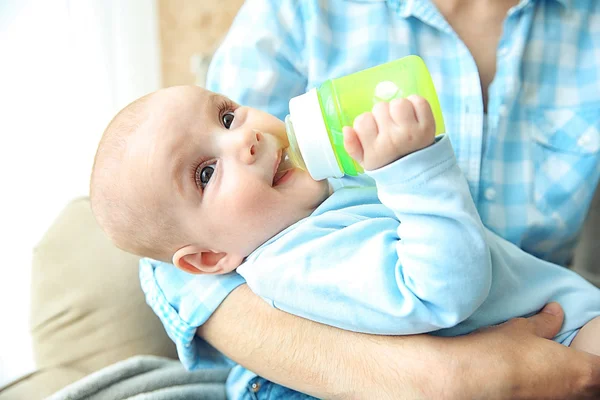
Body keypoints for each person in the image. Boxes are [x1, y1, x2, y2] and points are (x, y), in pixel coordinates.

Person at [114, 0, 600, 398]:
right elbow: (442, 293)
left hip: (544, 317)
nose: (246, 140)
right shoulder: (298, 260)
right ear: (212, 257)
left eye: (226, 117)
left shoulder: (323, 200)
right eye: (205, 172)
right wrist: (414, 169)